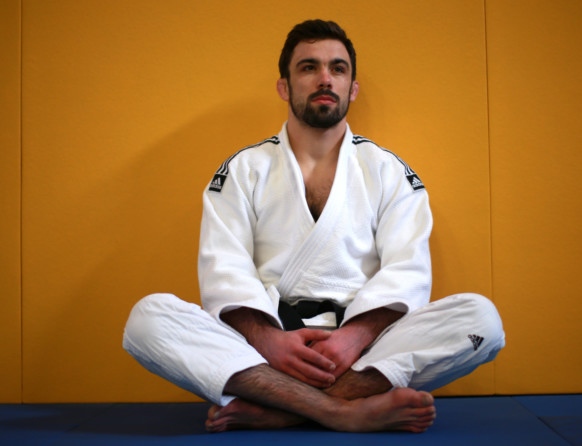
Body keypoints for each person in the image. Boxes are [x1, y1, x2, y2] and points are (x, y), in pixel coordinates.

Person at [123, 19, 505, 434]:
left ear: (352, 87)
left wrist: (355, 335)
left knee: (481, 321)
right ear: (284, 86)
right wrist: (268, 339)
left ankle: (280, 410)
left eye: (338, 69)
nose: (325, 78)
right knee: (147, 320)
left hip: (362, 348)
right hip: (267, 346)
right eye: (309, 67)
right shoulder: (244, 170)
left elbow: (407, 270)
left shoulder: (389, 172)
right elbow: (224, 269)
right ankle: (342, 410)